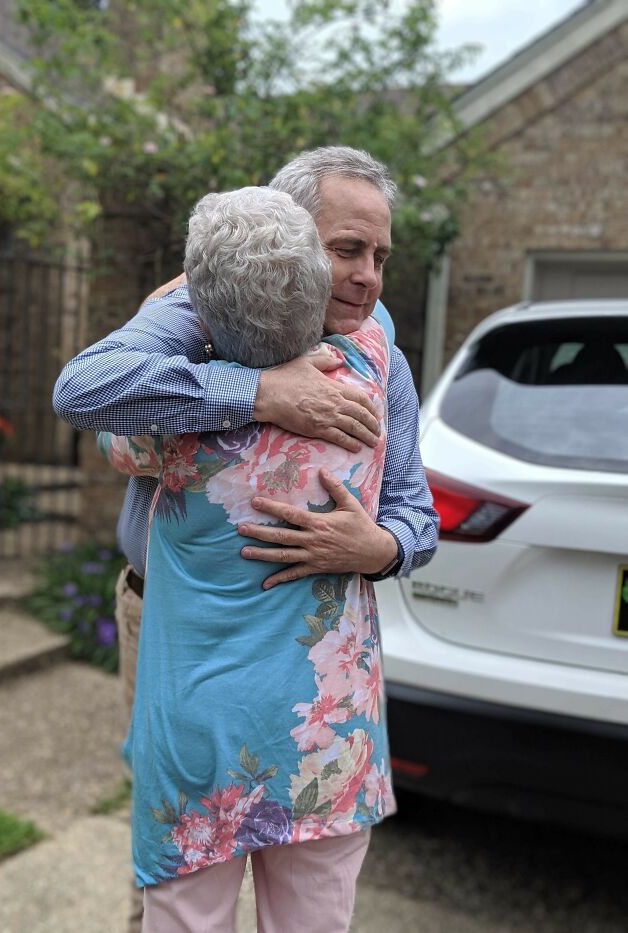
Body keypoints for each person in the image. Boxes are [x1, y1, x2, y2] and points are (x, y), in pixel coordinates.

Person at [52, 146, 439, 930]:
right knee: (174, 890)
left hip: (312, 697)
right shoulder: (198, 308)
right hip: (173, 634)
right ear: (291, 242)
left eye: (381, 256)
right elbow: (88, 394)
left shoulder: (379, 356)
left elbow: (415, 512)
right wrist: (258, 391)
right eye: (347, 250)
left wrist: (383, 548)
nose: (368, 274)